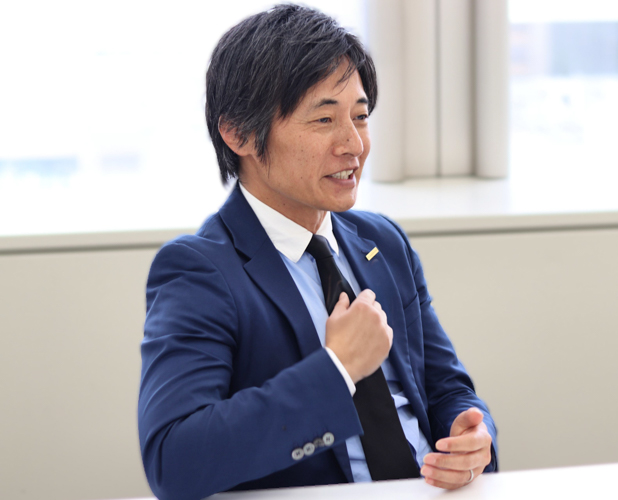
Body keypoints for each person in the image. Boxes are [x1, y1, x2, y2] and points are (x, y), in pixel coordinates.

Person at [138, 5, 497, 500]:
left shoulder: (383, 242)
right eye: (324, 119)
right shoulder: (200, 270)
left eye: (360, 117)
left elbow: (446, 389)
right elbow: (174, 461)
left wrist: (472, 437)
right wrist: (338, 368)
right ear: (238, 133)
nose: (353, 144)